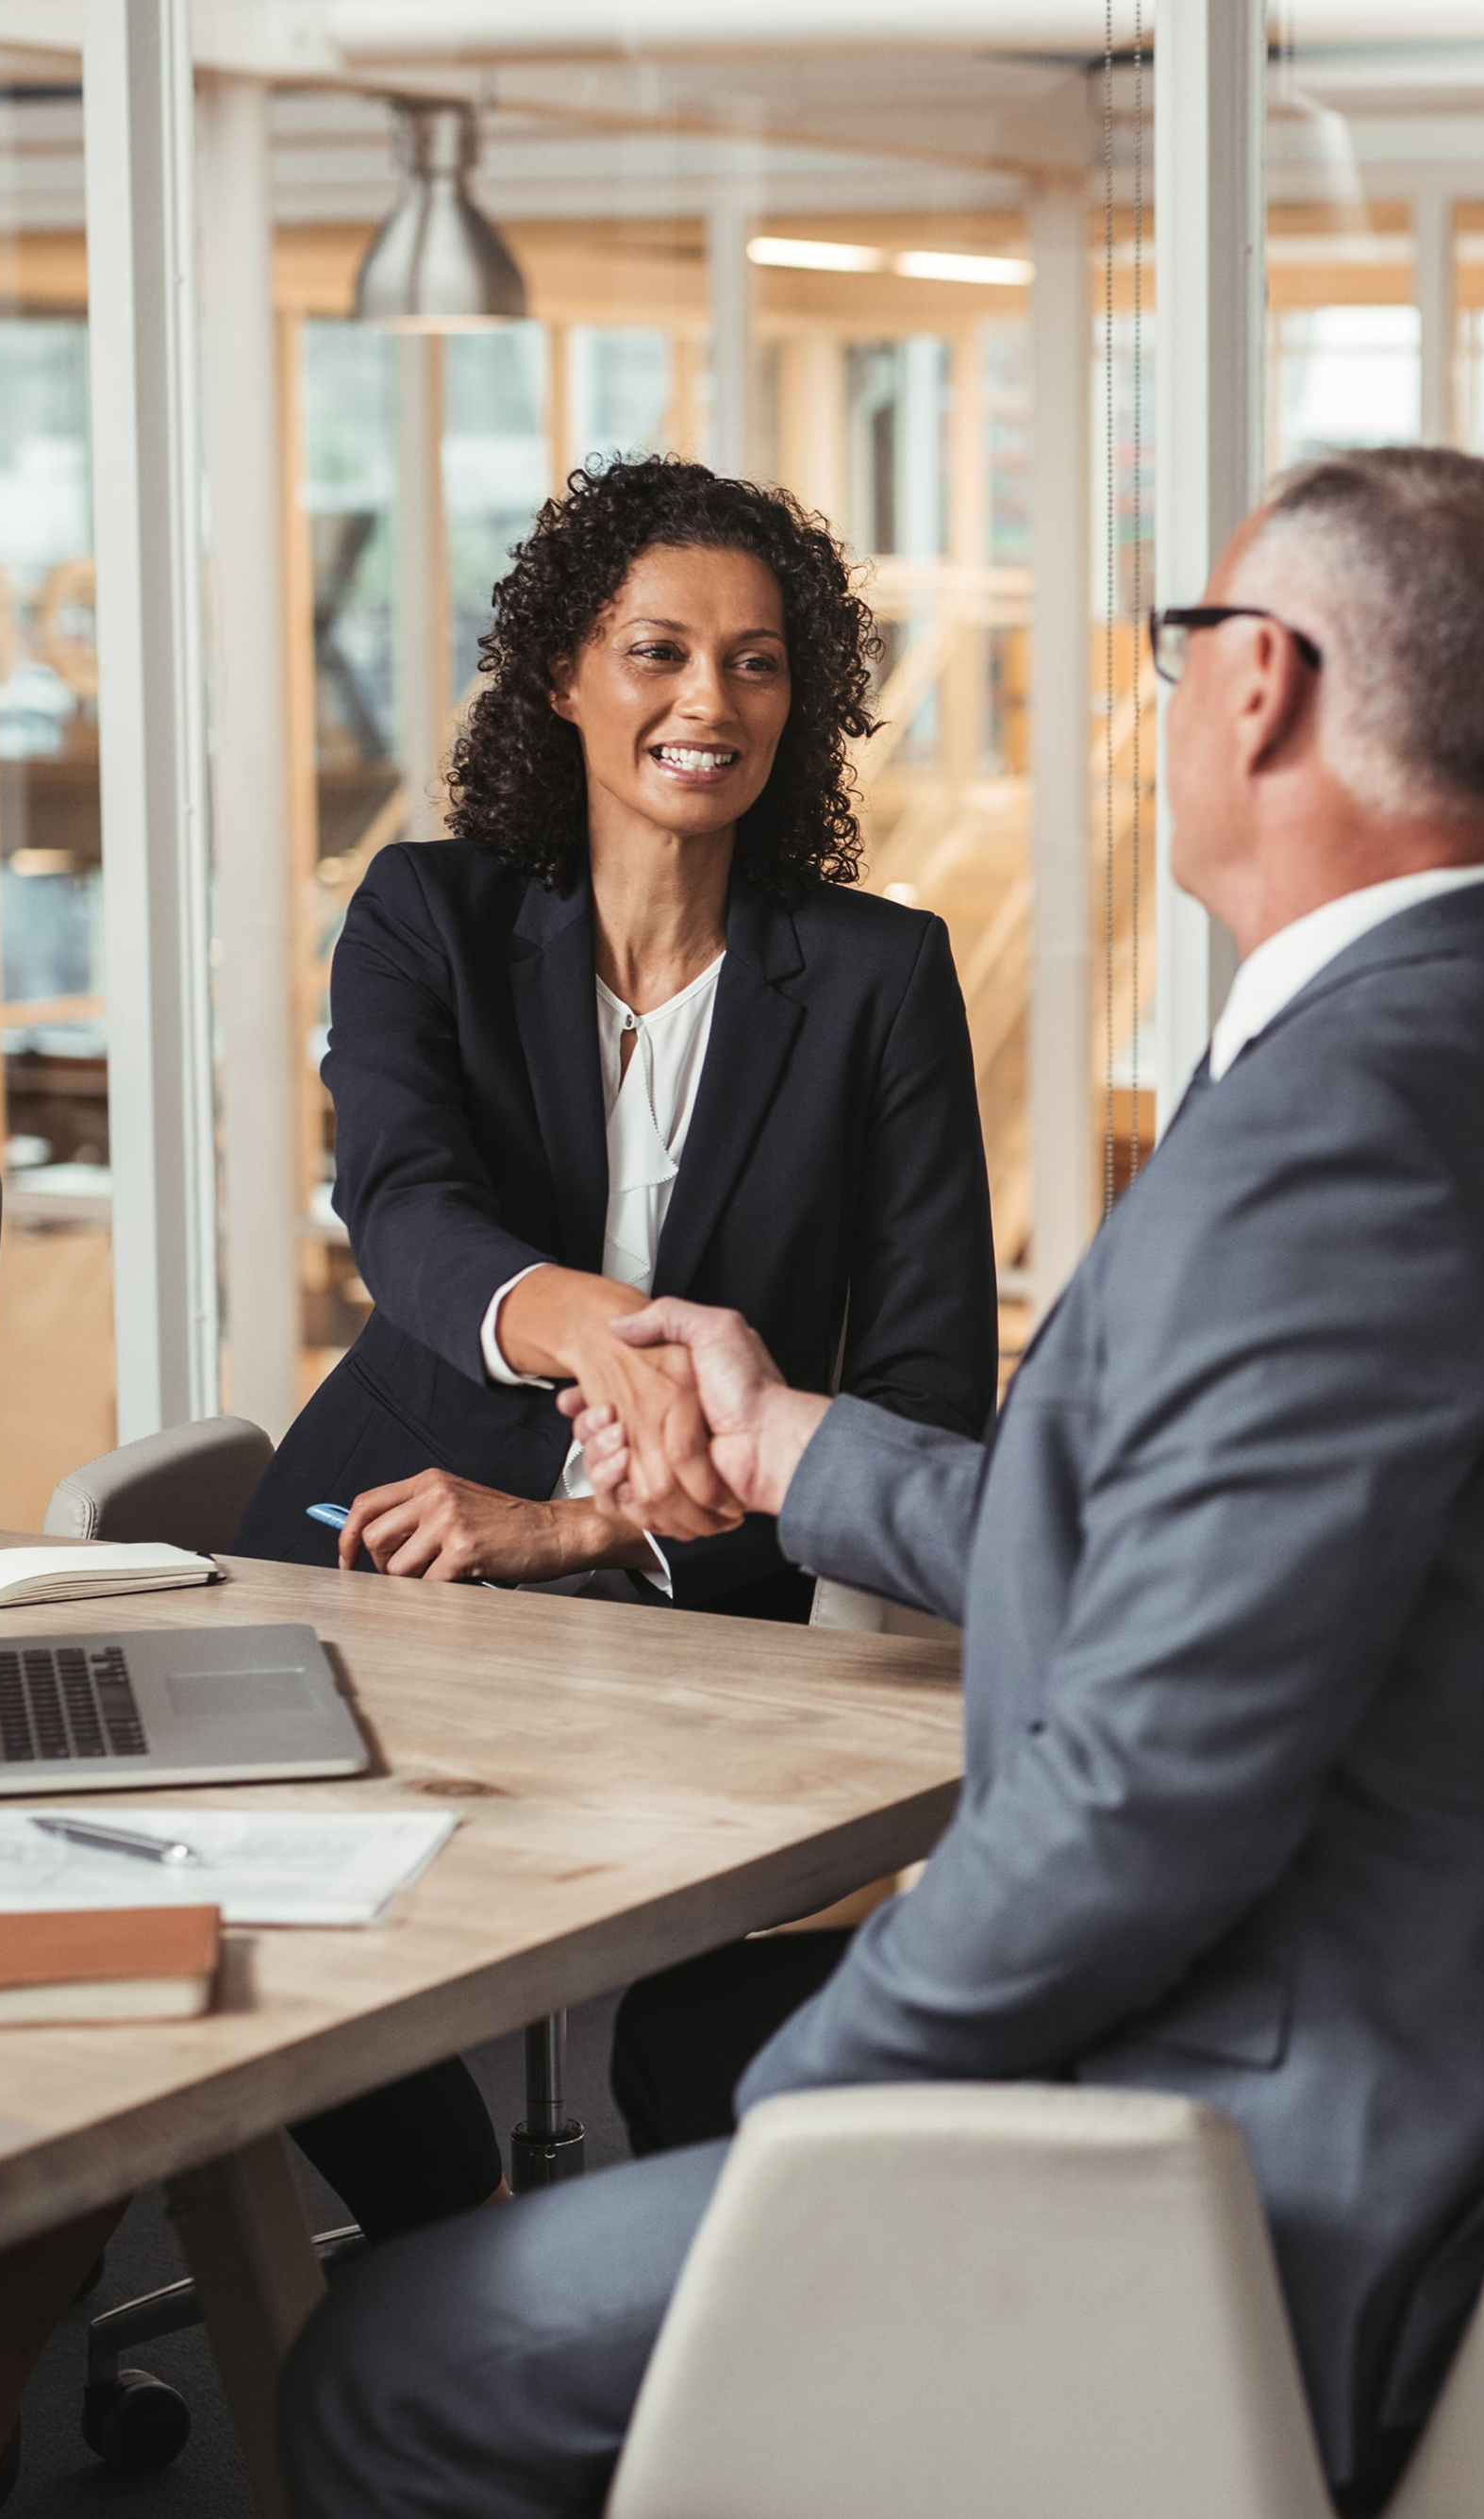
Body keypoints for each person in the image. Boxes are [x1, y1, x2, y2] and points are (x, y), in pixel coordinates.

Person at [278, 446, 1484, 2519]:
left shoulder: (1340, 1137)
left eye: (1182, 646)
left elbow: (1141, 1798)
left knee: (396, 2364)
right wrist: (778, 1439)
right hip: (1399, 2048)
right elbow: (1160, 1549)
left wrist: (807, 2128)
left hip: (1240, 2154)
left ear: (1264, 691)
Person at [243, 456, 998, 2242]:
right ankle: (453, 2212)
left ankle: (492, 2291)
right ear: (567, 678)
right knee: (217, 1846)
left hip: (703, 1577)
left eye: (755, 663)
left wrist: (605, 1524)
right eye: (657, 651)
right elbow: (408, 1208)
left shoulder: (881, 975)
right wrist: (604, 1338)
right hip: (387, 1511)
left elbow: (926, 1376)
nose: (705, 703)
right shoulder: (427, 915)